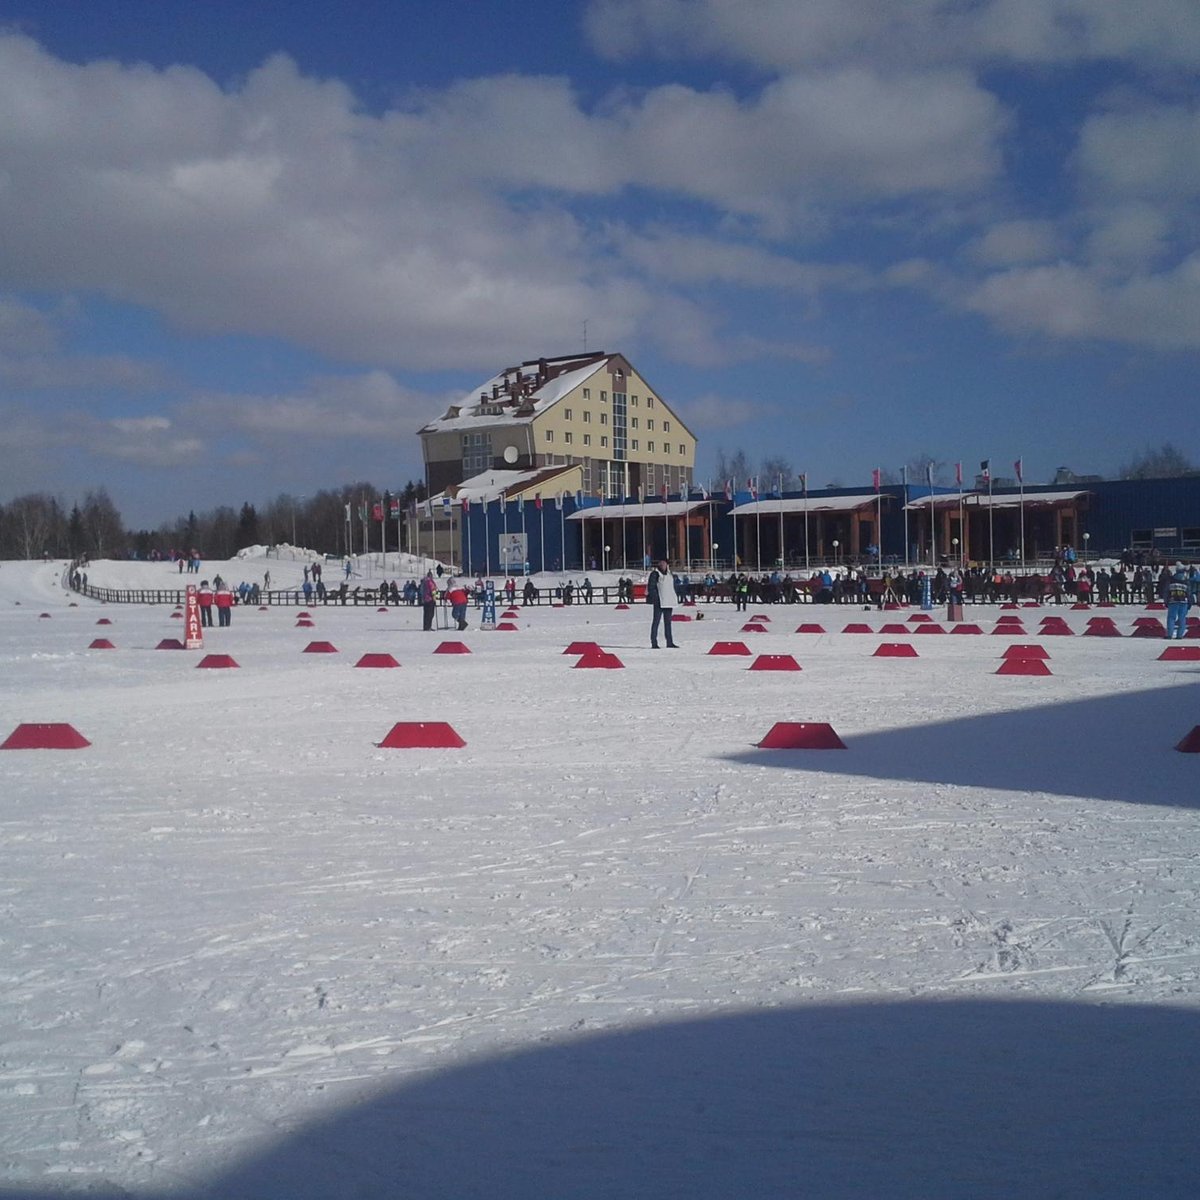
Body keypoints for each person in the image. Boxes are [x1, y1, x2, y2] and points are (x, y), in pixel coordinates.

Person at [647, 559, 679, 648]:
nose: (663, 564)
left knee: (668, 623)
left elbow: (672, 587)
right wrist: (656, 598)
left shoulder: (669, 574)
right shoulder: (655, 574)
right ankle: (654, 642)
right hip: (659, 601)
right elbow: (651, 587)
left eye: (664, 563)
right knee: (656, 622)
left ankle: (669, 642)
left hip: (669, 601)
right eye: (661, 563)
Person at [1166, 563, 1190, 640]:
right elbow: (1189, 593)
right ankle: (1180, 635)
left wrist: (1166, 601)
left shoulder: (1171, 580)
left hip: (1173, 601)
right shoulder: (1186, 581)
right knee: (1182, 618)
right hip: (1183, 601)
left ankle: (1169, 634)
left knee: (1171, 618)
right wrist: (1190, 602)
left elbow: (1166, 591)